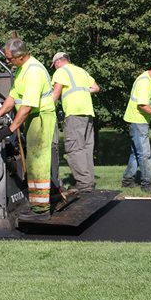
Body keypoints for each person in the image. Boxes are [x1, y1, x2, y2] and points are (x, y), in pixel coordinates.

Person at [0, 38, 56, 221]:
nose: (7, 61)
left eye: (9, 58)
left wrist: (11, 129)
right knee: (33, 161)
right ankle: (38, 204)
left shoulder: (34, 72)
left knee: (38, 162)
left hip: (40, 117)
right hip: (33, 118)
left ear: (20, 56)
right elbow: (13, 97)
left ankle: (41, 210)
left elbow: (27, 106)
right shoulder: (22, 69)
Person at [50, 52, 100, 194]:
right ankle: (89, 181)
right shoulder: (81, 71)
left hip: (74, 112)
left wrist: (45, 108)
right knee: (86, 149)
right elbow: (96, 88)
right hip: (88, 112)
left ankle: (83, 184)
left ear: (58, 62)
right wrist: (82, 93)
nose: (55, 68)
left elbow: (56, 93)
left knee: (74, 148)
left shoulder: (61, 72)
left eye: (54, 65)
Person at [122, 62, 151, 192]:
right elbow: (142, 105)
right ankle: (146, 184)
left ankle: (127, 180)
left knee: (136, 153)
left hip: (138, 120)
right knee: (144, 154)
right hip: (138, 120)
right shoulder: (144, 82)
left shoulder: (150, 80)